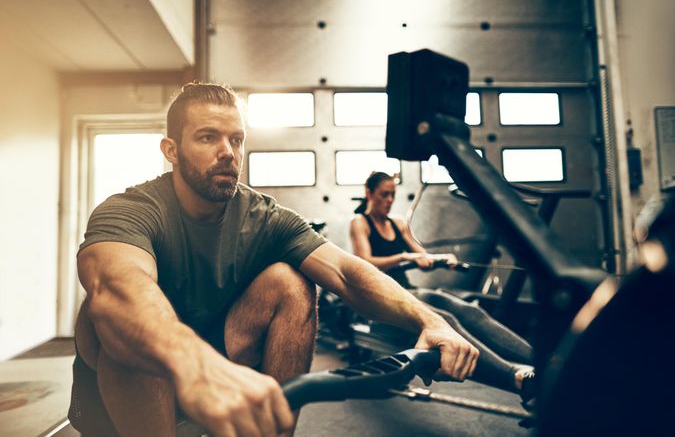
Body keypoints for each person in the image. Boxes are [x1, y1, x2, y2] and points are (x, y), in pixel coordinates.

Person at [68, 83, 480, 437]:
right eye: (208, 137)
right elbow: (117, 289)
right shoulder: (129, 209)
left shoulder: (262, 215)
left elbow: (347, 273)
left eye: (236, 139)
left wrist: (432, 322)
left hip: (221, 356)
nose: (228, 152)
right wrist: (196, 365)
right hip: (136, 386)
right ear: (171, 150)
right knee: (121, 318)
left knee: (292, 281)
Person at [350, 171, 535, 396]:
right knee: (443, 319)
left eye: (392, 195)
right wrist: (405, 257)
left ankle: (543, 362)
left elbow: (422, 255)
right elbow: (366, 263)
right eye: (383, 195)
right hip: (382, 300)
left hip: (409, 292)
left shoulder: (398, 223)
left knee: (469, 311)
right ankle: (515, 377)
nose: (389, 200)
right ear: (368, 193)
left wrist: (441, 260)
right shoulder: (360, 223)